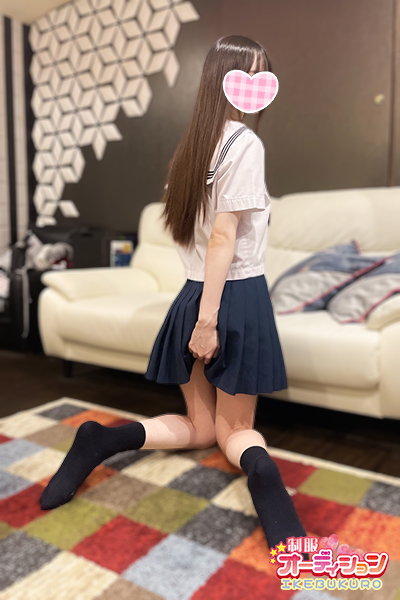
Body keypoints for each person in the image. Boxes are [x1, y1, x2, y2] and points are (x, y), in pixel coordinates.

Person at [39, 34, 308, 559]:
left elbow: (194, 236)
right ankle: (268, 485)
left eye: (263, 74)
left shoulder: (191, 150)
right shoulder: (245, 144)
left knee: (202, 429)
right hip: (232, 297)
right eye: (247, 74)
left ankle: (102, 440)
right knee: (236, 431)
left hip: (192, 294)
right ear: (223, 82)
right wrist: (209, 321)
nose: (256, 85)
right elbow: (223, 237)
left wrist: (200, 313)